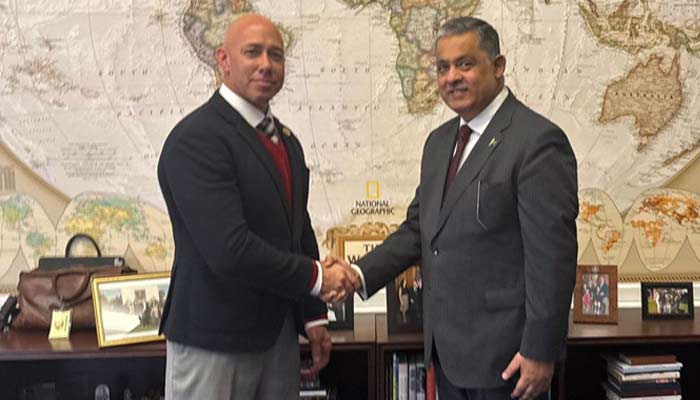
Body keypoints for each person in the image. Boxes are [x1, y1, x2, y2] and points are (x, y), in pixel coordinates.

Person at [328, 16, 578, 400]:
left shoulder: (537, 142)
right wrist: (358, 274)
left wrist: (540, 350)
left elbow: (553, 258)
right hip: (446, 354)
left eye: (465, 64)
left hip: (509, 359)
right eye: (442, 67)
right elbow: (419, 230)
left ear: (498, 67)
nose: (451, 77)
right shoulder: (439, 143)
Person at [157, 14, 359, 400]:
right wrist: (319, 278)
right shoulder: (197, 139)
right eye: (252, 53)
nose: (266, 64)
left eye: (276, 55)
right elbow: (229, 250)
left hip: (278, 338)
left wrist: (313, 315)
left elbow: (296, 232)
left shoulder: (285, 140)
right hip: (213, 341)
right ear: (223, 59)